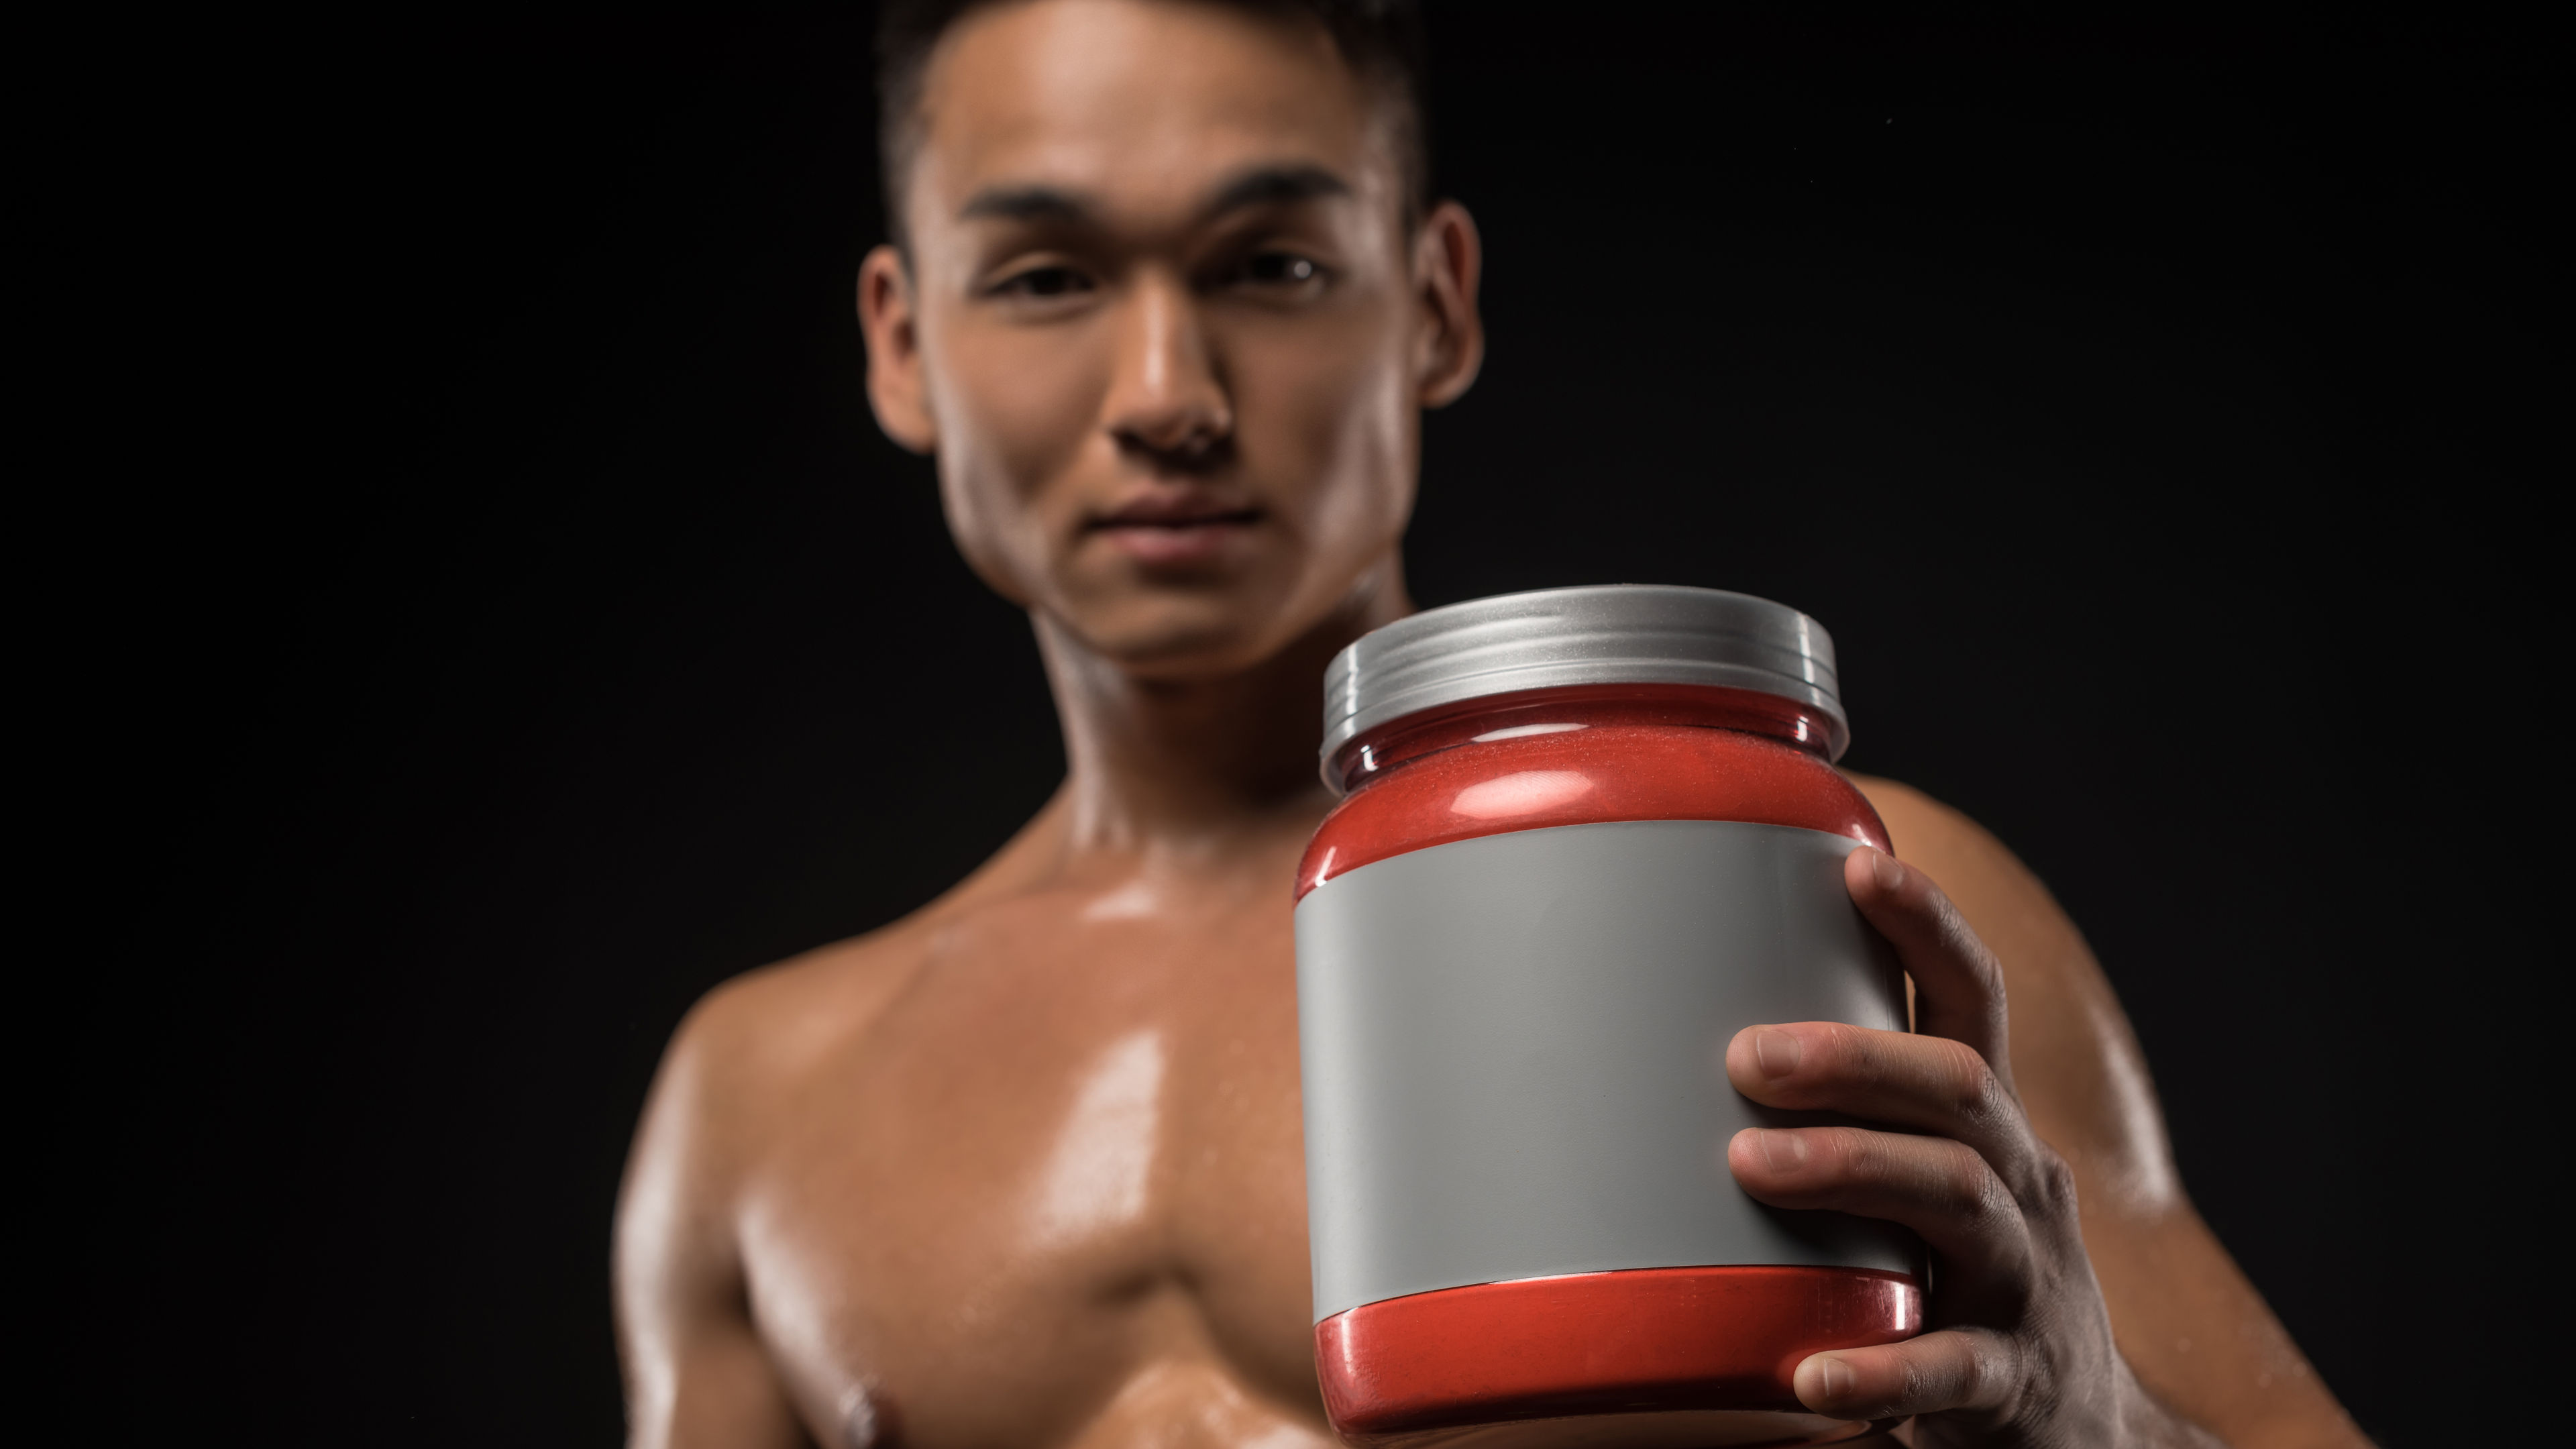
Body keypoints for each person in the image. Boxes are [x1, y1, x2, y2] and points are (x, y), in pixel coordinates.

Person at [613, 3, 2373, 1444]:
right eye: (1049, 277)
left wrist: (2094, 1420)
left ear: (1434, 304)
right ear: (904, 343)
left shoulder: (1821, 893)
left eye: (1274, 265)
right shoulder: (763, 1099)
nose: (1168, 396)